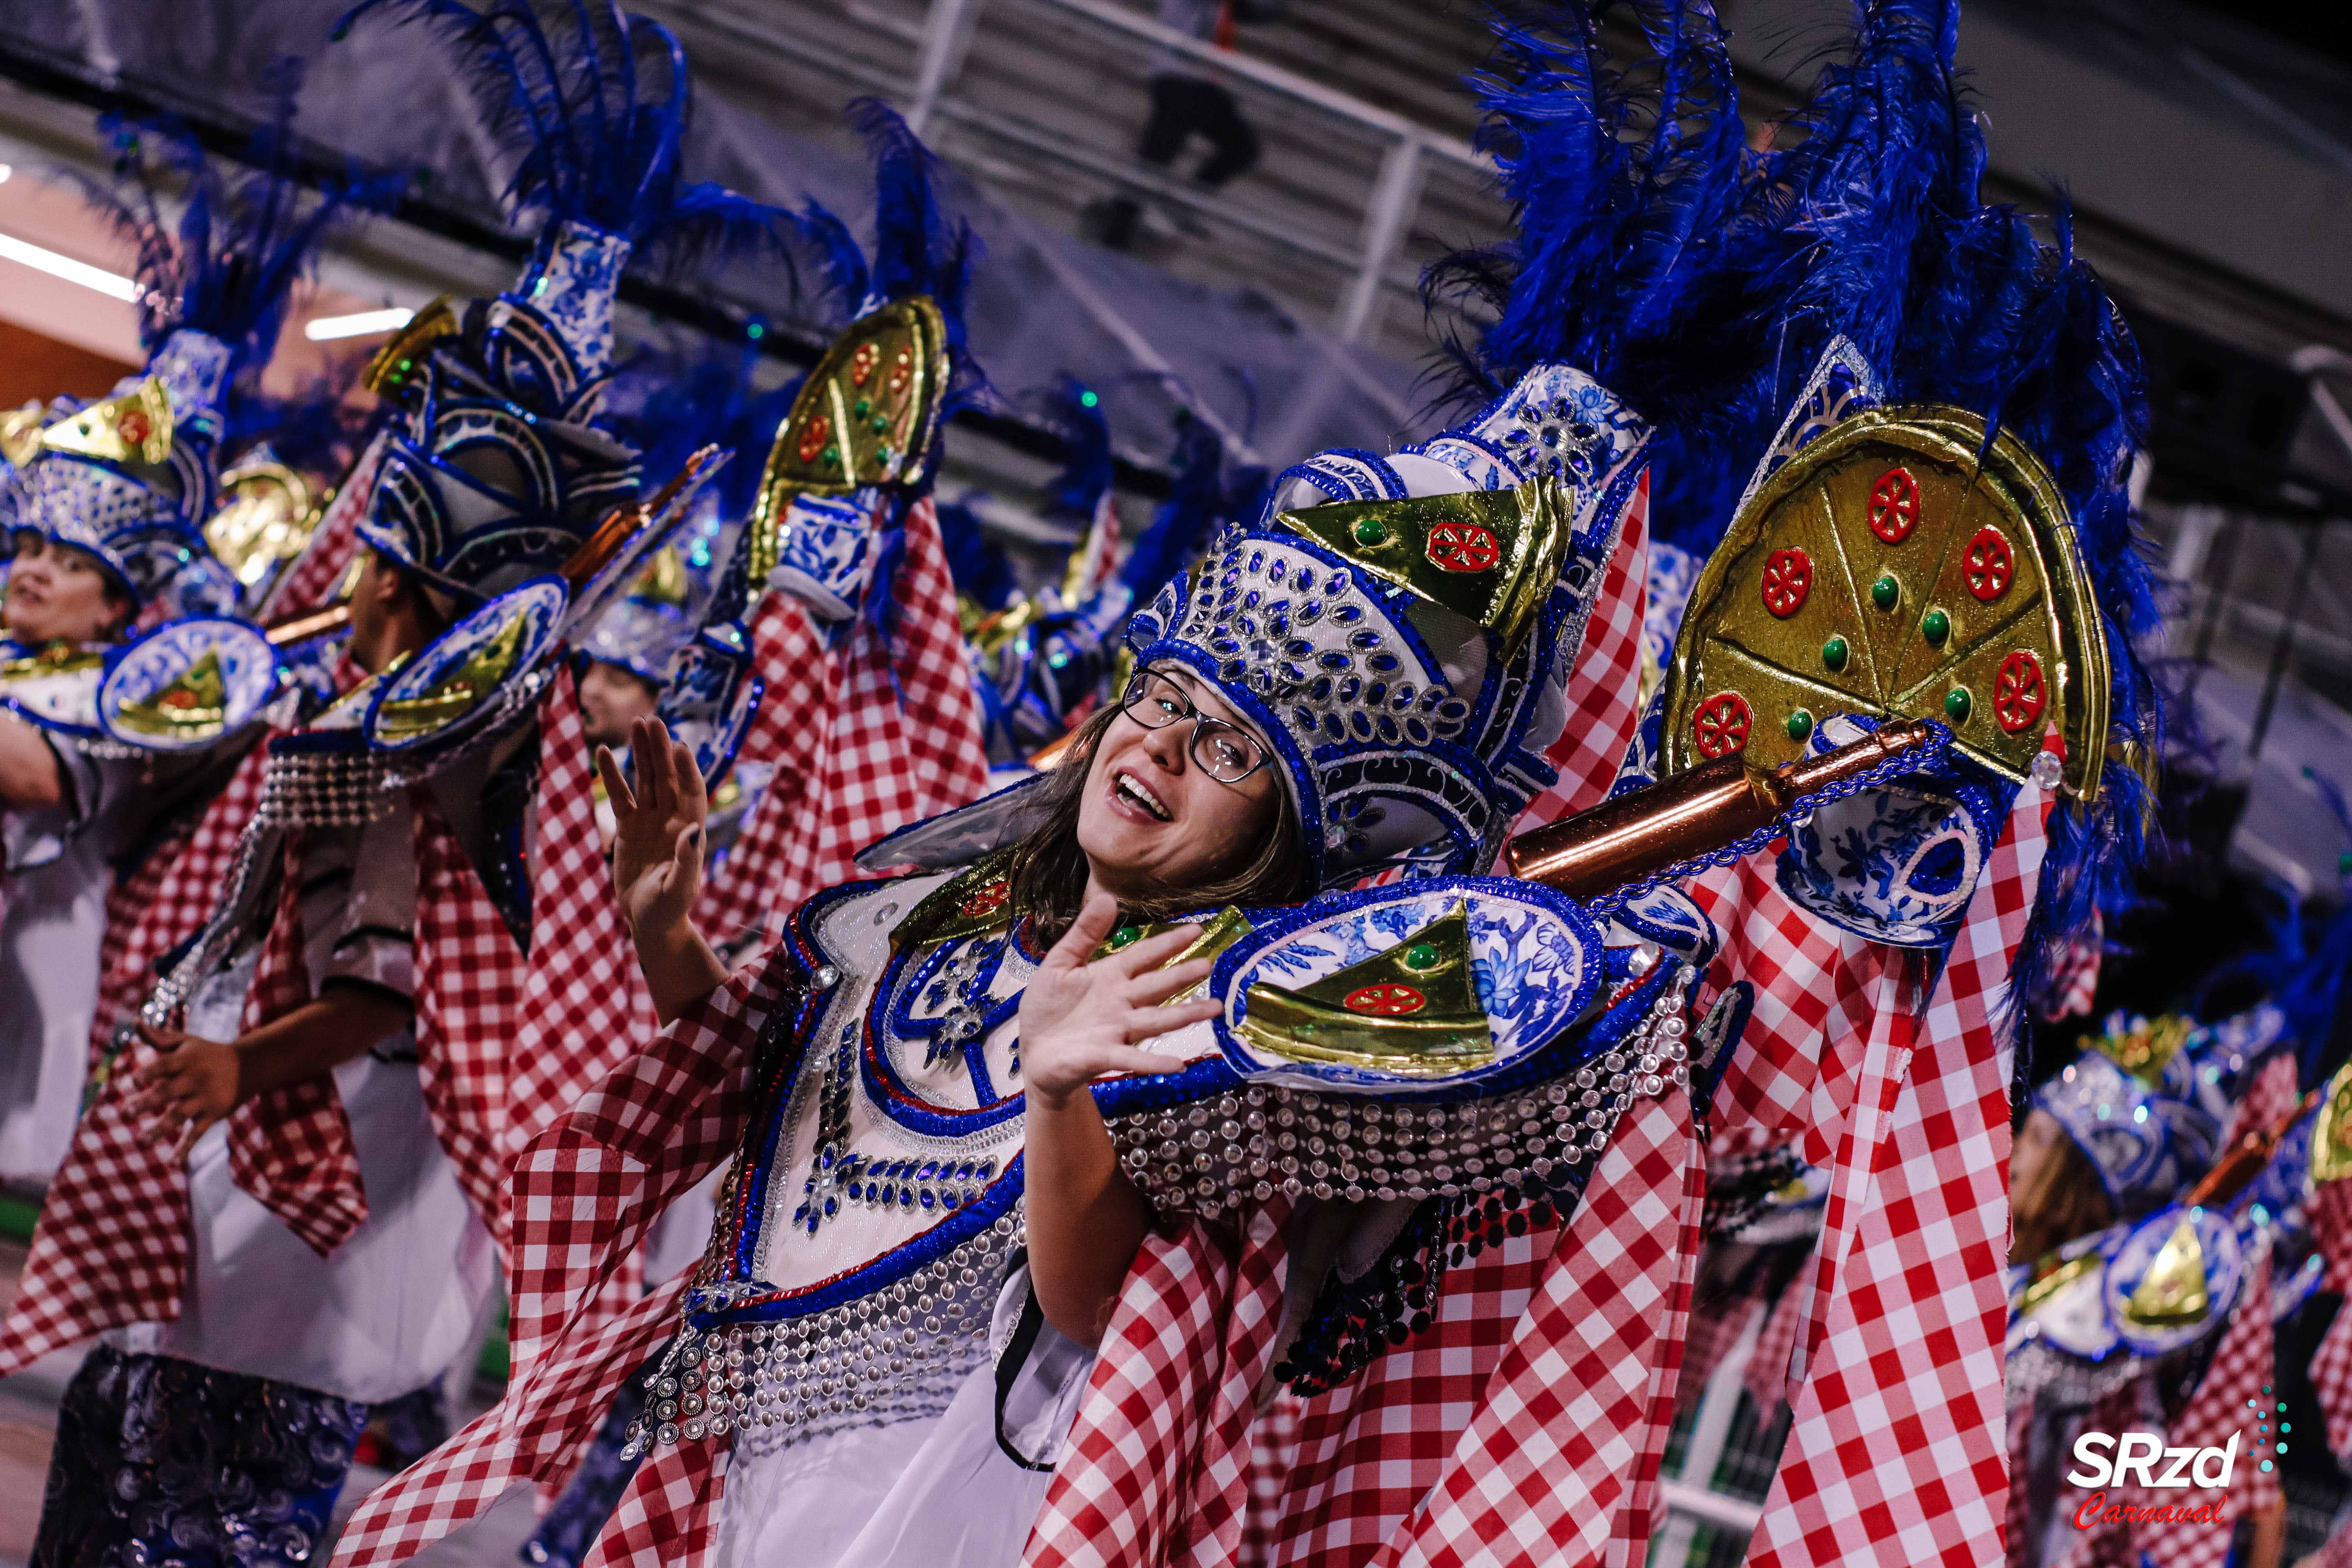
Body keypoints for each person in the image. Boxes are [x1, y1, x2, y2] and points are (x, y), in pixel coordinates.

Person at [0, 9, 777, 1562]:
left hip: (321, 1201)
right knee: (133, 1469)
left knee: (198, 1507)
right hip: (284, 1202)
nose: (344, 567)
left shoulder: (452, 746)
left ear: (412, 578)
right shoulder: (421, 720)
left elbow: (400, 993)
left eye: (376, 554)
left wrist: (236, 1071)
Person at [1089, 0, 1270, 252]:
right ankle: (1116, 232)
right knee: (1156, 158)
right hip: (1178, 79)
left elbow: (1253, 13)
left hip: (1204, 84)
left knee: (1243, 146)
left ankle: (1174, 209)